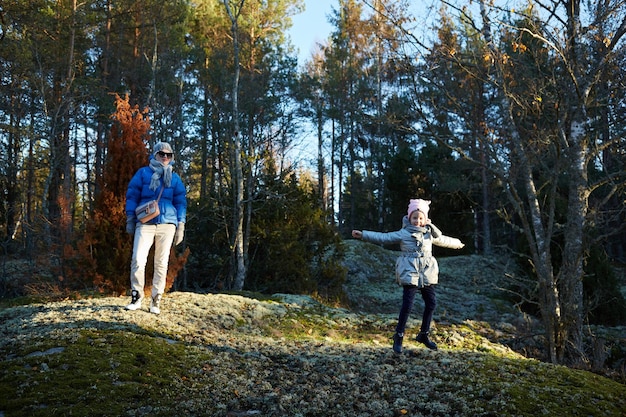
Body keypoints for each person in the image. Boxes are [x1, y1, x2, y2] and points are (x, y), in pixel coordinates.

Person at [352, 199, 464, 353]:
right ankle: (399, 336)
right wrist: (363, 234)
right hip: (409, 270)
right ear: (409, 218)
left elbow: (444, 239)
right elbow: (384, 237)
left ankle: (423, 335)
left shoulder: (429, 234)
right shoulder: (403, 233)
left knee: (431, 303)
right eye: (414, 218)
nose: (417, 221)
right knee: (408, 305)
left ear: (425, 219)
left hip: (426, 272)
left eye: (420, 218)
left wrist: (458, 243)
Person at [124, 142, 187, 314]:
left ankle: (156, 300)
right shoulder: (143, 173)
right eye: (161, 153)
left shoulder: (174, 178)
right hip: (145, 222)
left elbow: (181, 202)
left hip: (168, 224)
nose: (165, 157)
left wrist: (181, 224)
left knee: (161, 262)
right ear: (155, 154)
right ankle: (136, 296)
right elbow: (132, 195)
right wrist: (130, 218)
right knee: (138, 259)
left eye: (169, 155)